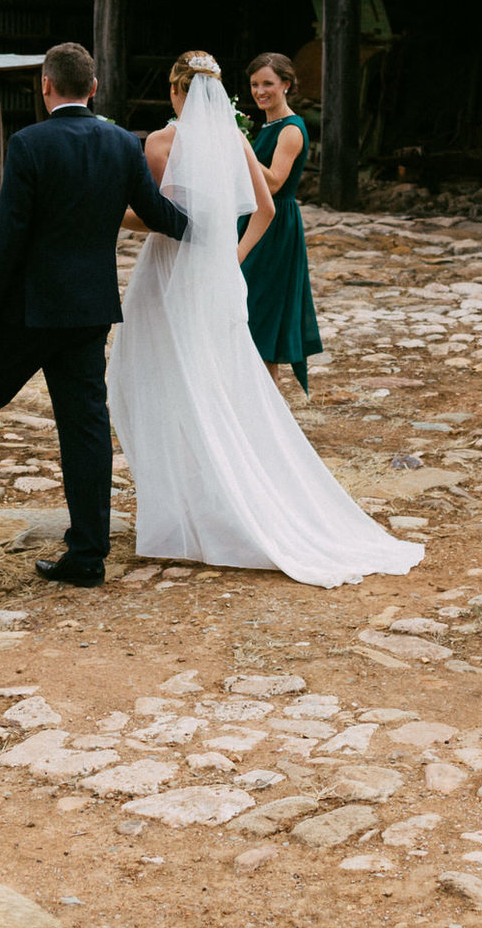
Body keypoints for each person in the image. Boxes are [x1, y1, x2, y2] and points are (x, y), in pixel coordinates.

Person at [106, 52, 421, 587]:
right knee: (218, 382)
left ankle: (182, 508)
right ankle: (217, 499)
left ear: (175, 90)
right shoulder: (233, 139)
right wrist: (230, 257)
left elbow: (158, 219)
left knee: (150, 381)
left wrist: (109, 210)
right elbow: (266, 210)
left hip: (165, 275)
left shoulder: (159, 144)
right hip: (216, 277)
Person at [0, 42, 190, 588]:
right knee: (85, 428)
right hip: (90, 311)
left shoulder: (29, 144)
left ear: (46, 85)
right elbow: (158, 214)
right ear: (93, 88)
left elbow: (8, 239)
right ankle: (89, 555)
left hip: (30, 312)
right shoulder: (123, 143)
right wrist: (208, 224)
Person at [240, 51, 322, 393]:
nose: (260, 91)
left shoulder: (290, 129)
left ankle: (268, 411)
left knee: (261, 314)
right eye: (255, 84)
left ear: (286, 85)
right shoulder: (269, 125)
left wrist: (239, 145)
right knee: (248, 311)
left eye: (268, 84)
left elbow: (273, 182)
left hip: (275, 227)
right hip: (254, 221)